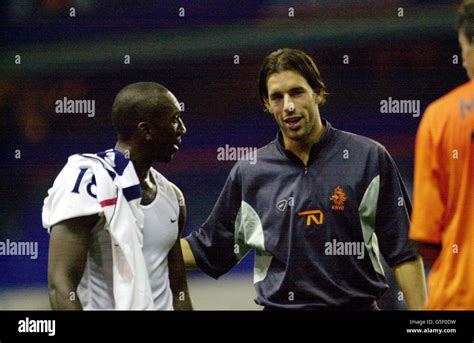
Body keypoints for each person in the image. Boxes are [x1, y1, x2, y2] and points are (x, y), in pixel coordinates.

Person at [181, 48, 427, 310]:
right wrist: (140, 244)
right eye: (277, 97)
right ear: (267, 104)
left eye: (297, 92)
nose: (288, 106)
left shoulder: (369, 157)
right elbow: (208, 247)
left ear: (318, 93)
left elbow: (404, 252)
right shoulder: (249, 173)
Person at [43, 82, 192, 310]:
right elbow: (60, 285)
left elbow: (178, 289)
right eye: (174, 119)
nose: (182, 129)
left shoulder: (173, 197)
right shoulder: (87, 184)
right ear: (146, 131)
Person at [409, 1, 474, 310]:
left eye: (462, 47)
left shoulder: (439, 117)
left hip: (459, 297)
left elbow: (426, 237)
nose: (462, 60)